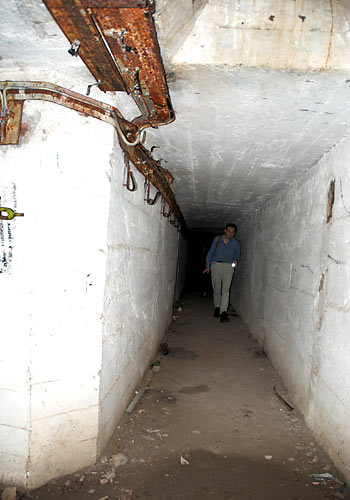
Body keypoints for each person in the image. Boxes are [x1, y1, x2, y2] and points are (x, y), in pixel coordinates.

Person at [203, 223, 240, 322]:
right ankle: (217, 308)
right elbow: (211, 252)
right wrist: (208, 265)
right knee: (217, 288)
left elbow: (237, 255)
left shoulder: (236, 243)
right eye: (229, 231)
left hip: (228, 267)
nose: (230, 234)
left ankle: (223, 312)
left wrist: (235, 261)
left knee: (226, 290)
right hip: (216, 265)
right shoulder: (217, 239)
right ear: (225, 230)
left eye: (232, 232)